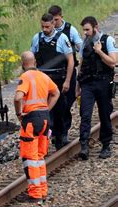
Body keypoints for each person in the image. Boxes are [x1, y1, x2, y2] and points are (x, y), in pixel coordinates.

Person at [14, 51, 60, 202]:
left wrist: (19, 113)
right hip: (45, 119)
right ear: (35, 62)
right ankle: (42, 190)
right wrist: (46, 108)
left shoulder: (25, 77)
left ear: (23, 64)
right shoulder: (43, 76)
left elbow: (18, 97)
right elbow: (56, 93)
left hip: (31, 121)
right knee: (40, 157)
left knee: (30, 158)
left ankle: (35, 194)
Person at [30, 13, 73, 150]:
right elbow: (32, 59)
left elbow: (70, 61)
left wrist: (67, 81)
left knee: (60, 110)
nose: (45, 29)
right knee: (43, 111)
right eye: (42, 26)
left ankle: (60, 137)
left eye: (47, 26)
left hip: (58, 80)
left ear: (53, 24)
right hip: (42, 81)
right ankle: (45, 139)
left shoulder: (62, 38)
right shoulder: (37, 38)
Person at [76, 16, 117, 160]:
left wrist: (99, 51)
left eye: (87, 29)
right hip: (87, 83)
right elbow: (81, 64)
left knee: (104, 114)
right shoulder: (84, 42)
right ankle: (84, 146)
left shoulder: (108, 40)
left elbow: (113, 62)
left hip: (104, 83)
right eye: (84, 30)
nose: (85, 32)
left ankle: (105, 145)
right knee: (85, 114)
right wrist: (78, 85)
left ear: (95, 27)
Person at [48, 5, 83, 144]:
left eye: (56, 20)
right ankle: (56, 132)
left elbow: (81, 47)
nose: (54, 23)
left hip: (68, 72)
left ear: (61, 17)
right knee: (53, 104)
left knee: (66, 103)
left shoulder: (70, 30)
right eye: (52, 20)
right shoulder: (47, 33)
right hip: (52, 75)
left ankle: (63, 131)